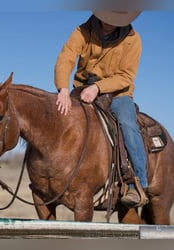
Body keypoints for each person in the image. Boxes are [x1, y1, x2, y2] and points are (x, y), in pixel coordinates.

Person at [54, 11, 148, 207]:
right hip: (81, 89)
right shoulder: (82, 31)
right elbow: (66, 58)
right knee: (57, 119)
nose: (109, 22)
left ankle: (137, 184)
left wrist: (98, 88)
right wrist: (63, 89)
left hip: (118, 93)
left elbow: (126, 76)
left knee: (128, 125)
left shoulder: (133, 40)